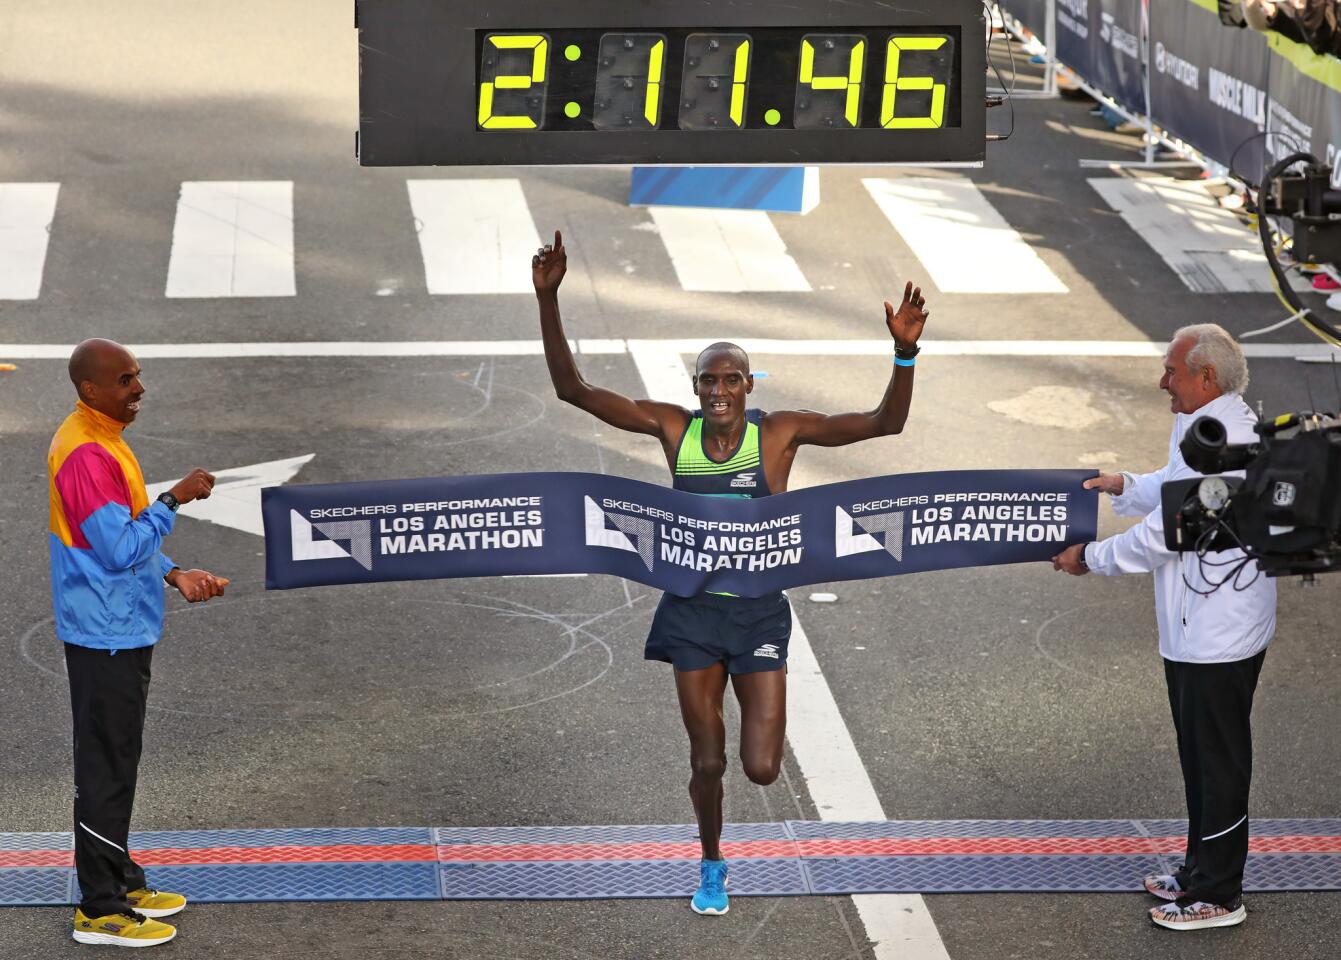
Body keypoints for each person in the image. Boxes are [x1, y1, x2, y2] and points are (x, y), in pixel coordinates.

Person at [532, 230, 928, 915]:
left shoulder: (777, 434)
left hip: (755, 614)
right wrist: (549, 299)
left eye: (730, 379)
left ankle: (755, 722)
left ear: (749, 388)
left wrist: (903, 352)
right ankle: (711, 862)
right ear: (695, 388)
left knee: (761, 769)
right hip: (690, 614)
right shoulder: (671, 429)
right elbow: (574, 390)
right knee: (708, 761)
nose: (718, 390)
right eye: (708, 380)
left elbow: (882, 424)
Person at [1051, 324, 1276, 932]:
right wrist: (1125, 484)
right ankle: (1198, 870)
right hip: (1192, 626)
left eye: (1171, 371)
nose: (1162, 381)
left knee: (1219, 761)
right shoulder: (1203, 425)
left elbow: (1167, 531)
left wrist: (1091, 557)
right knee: (1198, 756)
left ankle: (1221, 895)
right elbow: (1171, 488)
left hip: (1219, 634)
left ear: (1205, 377)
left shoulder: (1232, 441)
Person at [48, 339, 229, 947]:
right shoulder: (85, 454)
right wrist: (174, 499)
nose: (138, 388)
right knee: (105, 767)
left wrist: (174, 573)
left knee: (118, 760)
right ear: (91, 389)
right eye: (125, 380)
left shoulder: (101, 439)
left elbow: (127, 537)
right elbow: (120, 547)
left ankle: (119, 878)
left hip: (118, 625)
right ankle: (99, 908)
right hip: (103, 634)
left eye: (138, 376)